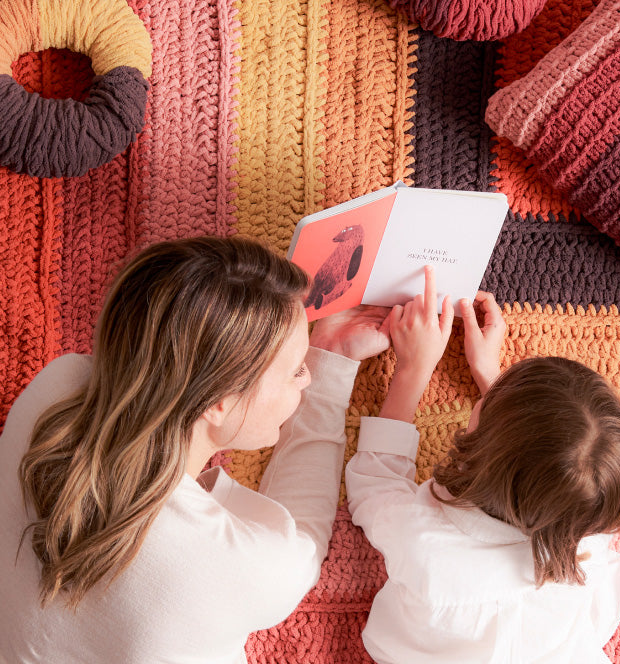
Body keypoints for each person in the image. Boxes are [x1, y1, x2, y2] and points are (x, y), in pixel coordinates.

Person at [0, 236, 391, 664]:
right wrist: (330, 366)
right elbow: (303, 545)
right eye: (297, 369)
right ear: (219, 403)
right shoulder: (240, 564)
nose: (306, 380)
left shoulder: (54, 393)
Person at [346, 266, 620, 664]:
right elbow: (549, 463)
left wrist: (412, 370)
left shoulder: (425, 540)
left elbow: (375, 484)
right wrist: (492, 380)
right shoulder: (590, 534)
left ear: (483, 448)